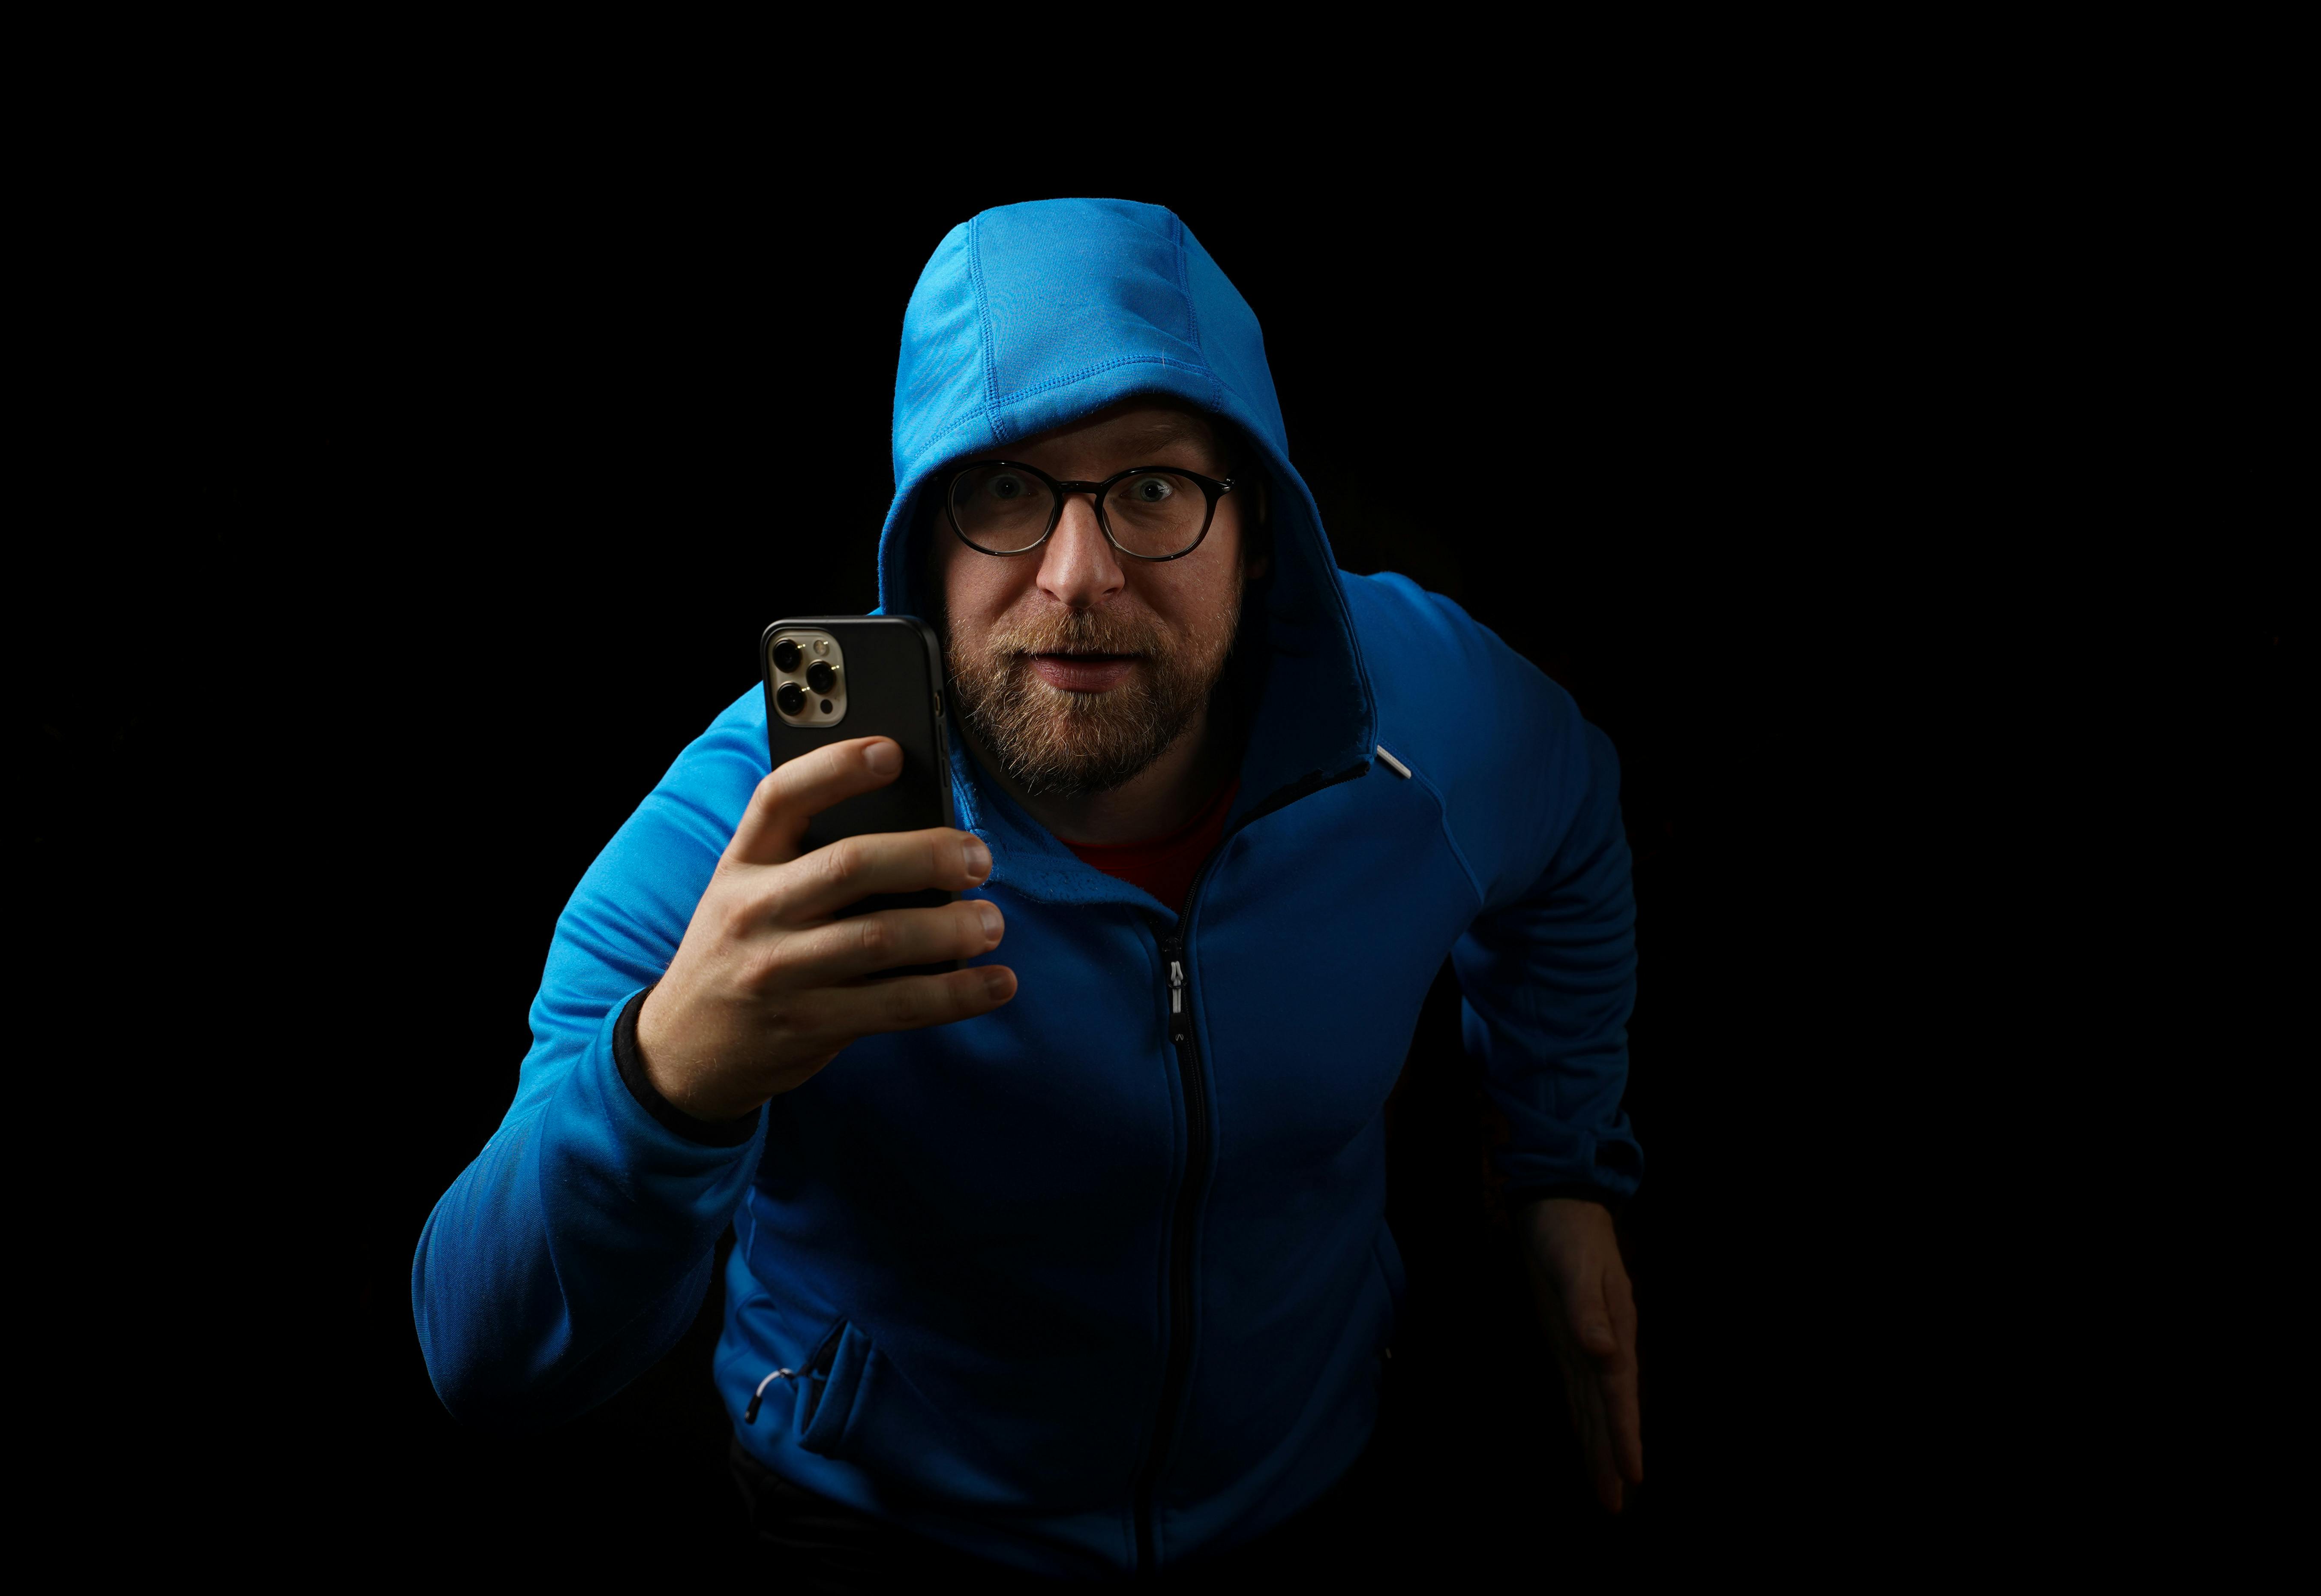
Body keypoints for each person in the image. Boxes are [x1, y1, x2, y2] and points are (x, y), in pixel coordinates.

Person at [412, 198, 1645, 1585]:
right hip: (882, 1531)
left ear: (1261, 532)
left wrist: (1558, 1169)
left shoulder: (1428, 715)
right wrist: (667, 1078)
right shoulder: (753, 834)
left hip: (1316, 1494)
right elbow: (483, 1355)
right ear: (921, 545)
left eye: (1155, 489)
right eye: (1004, 491)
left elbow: (1574, 837)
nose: (1076, 576)